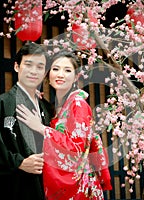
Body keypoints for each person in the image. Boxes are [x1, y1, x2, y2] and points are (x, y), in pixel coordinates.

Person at [16, 50, 112, 199]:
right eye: (55, 69)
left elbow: (76, 149)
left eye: (67, 70)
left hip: (80, 188)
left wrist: (42, 129)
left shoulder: (78, 104)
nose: (60, 74)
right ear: (48, 74)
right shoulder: (60, 106)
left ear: (76, 76)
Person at [0, 42, 54, 200]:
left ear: (45, 73)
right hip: (12, 187)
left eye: (40, 67)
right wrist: (19, 162)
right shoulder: (1, 104)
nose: (33, 71)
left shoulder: (47, 107)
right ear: (17, 66)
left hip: (45, 186)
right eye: (28, 64)